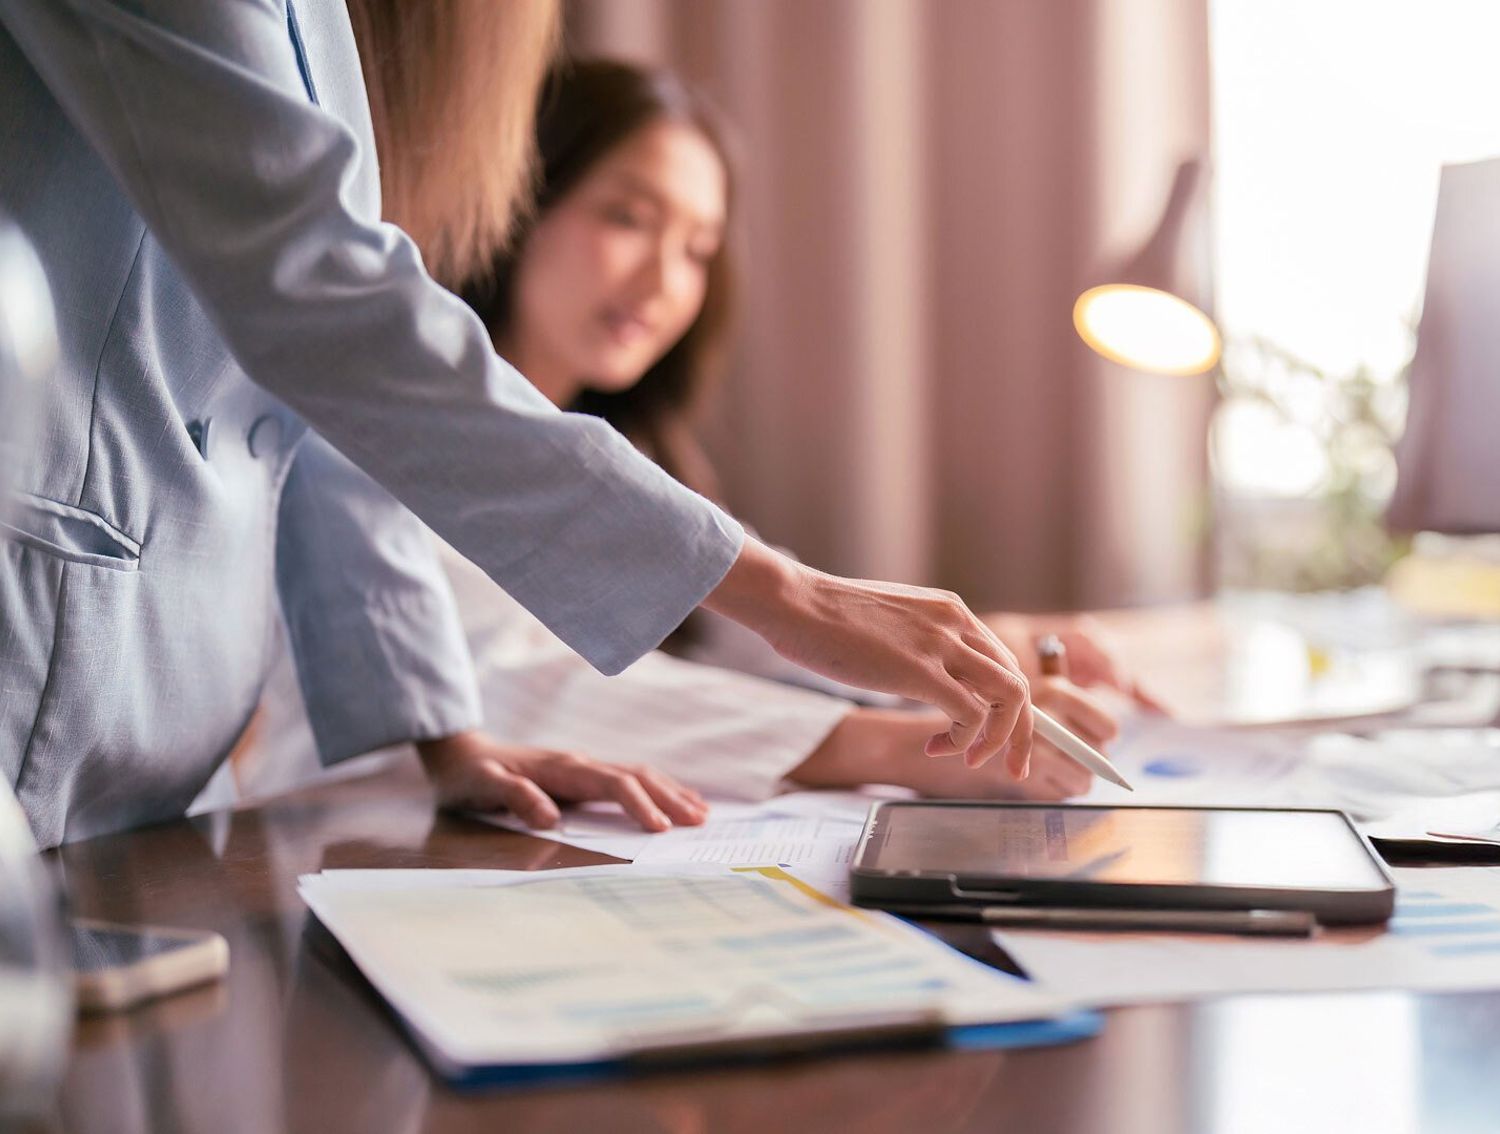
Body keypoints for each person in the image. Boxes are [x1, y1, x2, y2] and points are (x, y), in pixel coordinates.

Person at [0, 2, 1038, 848]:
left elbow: (316, 409)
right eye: (626, 216)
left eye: (699, 247)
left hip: (153, 744)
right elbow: (317, 305)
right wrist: (793, 606)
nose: (662, 279)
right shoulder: (492, 431)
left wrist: (445, 736)